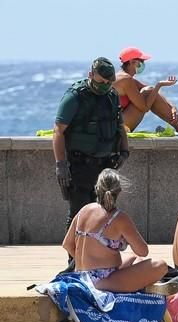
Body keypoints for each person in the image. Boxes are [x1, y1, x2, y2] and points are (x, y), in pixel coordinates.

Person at [53, 57, 129, 245]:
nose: (104, 86)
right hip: (80, 165)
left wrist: (124, 152)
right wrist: (61, 165)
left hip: (105, 165)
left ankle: (97, 257)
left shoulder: (111, 96)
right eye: (101, 81)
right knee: (79, 215)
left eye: (108, 82)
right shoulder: (75, 96)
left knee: (104, 214)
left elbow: (120, 126)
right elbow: (59, 130)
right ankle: (73, 261)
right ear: (91, 75)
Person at [62, 169, 171, 293]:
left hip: (81, 276)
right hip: (101, 281)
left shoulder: (84, 210)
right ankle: (144, 285)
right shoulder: (118, 217)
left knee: (134, 259)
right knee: (160, 265)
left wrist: (89, 260)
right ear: (118, 191)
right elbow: (143, 251)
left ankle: (137, 283)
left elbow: (67, 244)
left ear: (97, 188)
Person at [113, 47, 178, 135]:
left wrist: (172, 107)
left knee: (149, 90)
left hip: (118, 124)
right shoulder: (125, 79)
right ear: (132, 62)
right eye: (141, 61)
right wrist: (159, 85)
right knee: (149, 91)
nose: (143, 64)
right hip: (115, 128)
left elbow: (151, 91)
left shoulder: (124, 77)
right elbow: (145, 107)